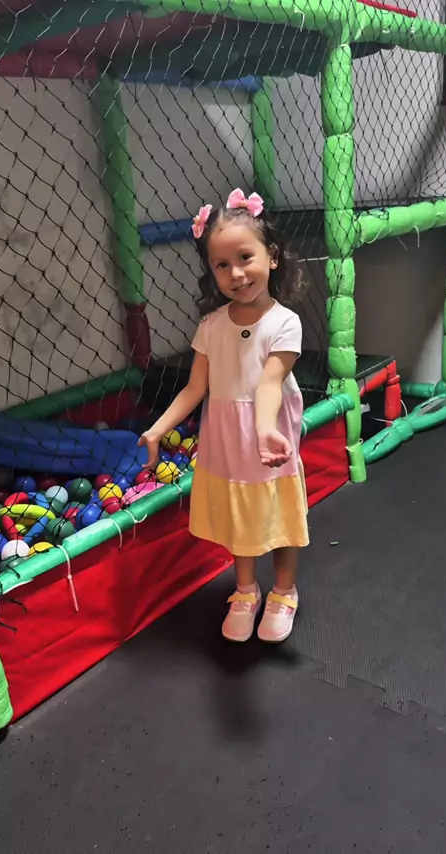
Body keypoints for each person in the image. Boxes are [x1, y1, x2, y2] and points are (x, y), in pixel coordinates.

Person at [139, 188, 309, 643]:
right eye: (222, 265)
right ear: (211, 272)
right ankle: (246, 590)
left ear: (272, 257)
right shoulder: (211, 326)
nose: (236, 273)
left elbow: (269, 383)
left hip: (268, 439)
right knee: (240, 518)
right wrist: (157, 430)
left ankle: (284, 591)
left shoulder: (284, 323)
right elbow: (195, 388)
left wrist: (265, 430)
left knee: (279, 515)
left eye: (245, 257)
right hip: (228, 443)